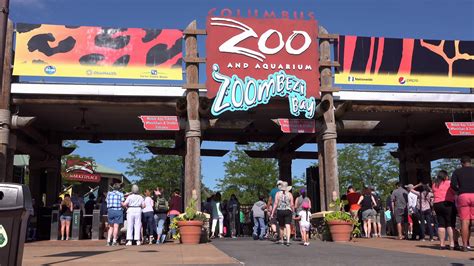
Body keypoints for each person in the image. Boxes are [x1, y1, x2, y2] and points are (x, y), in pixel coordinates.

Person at [451, 156, 474, 252]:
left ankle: (464, 245)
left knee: (465, 221)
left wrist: (459, 190)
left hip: (463, 196)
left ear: (461, 163)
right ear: (470, 162)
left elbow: (453, 185)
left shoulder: (457, 172)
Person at [432, 170, 456, 250]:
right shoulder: (449, 183)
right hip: (447, 203)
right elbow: (454, 192)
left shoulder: (435, 184)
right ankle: (452, 243)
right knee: (450, 223)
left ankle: (442, 244)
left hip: (437, 204)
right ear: (445, 176)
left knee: (441, 223)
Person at [271, 181, 294, 246]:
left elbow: (275, 204)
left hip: (280, 210)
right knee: (288, 225)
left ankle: (281, 240)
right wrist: (294, 211)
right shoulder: (290, 194)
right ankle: (288, 240)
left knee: (281, 226)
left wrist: (272, 213)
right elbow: (292, 204)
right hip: (288, 210)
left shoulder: (278, 194)